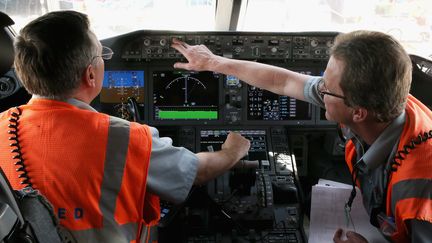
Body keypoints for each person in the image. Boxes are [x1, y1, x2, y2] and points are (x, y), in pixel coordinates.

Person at [0, 10, 250, 243]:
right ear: (90, 75)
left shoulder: (2, 126)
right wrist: (232, 152)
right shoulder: (122, 138)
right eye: (101, 54)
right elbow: (198, 172)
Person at [171, 30, 432, 242]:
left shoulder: (418, 193)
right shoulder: (384, 100)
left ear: (359, 113)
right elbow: (282, 82)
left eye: (326, 88)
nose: (319, 90)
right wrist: (213, 62)